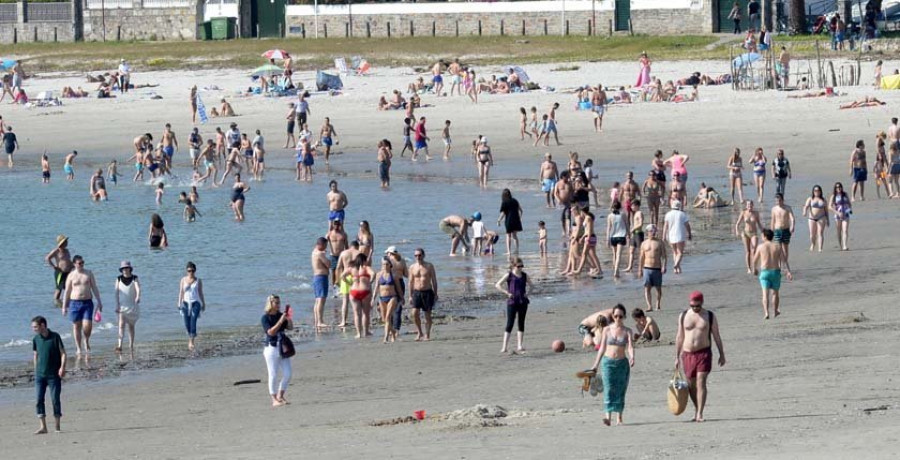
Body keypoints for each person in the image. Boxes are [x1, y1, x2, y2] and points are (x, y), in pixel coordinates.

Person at [674, 291, 725, 423]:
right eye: (692, 306)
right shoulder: (683, 315)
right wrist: (676, 356)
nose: (695, 308)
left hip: (704, 352)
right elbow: (680, 337)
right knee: (690, 384)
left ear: (702, 303)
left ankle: (700, 413)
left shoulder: (709, 316)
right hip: (687, 354)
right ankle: (697, 410)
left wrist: (722, 354)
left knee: (701, 381)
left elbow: (716, 336)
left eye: (697, 306)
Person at [588, 304, 635, 426]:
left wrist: (632, 356)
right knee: (608, 389)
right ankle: (607, 417)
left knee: (620, 390)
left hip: (622, 364)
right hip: (608, 362)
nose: (618, 319)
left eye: (620, 316)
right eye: (615, 316)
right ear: (613, 316)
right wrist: (595, 364)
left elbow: (630, 346)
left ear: (624, 316)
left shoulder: (627, 331)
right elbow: (602, 348)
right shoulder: (606, 330)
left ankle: (619, 418)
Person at [31, 315, 66, 434]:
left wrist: (62, 367)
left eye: (35, 327)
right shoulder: (36, 339)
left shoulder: (55, 337)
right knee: (38, 399)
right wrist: (36, 370)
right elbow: (35, 355)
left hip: (54, 375)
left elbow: (63, 353)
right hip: (40, 375)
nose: (34, 329)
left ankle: (57, 427)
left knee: (55, 399)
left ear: (43, 325)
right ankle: (43, 427)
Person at [62, 255, 103, 356]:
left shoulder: (88, 273)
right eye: (79, 263)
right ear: (74, 264)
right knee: (76, 326)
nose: (81, 264)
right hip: (74, 303)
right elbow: (67, 291)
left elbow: (94, 287)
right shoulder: (71, 275)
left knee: (87, 326)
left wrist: (99, 301)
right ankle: (79, 348)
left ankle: (86, 340)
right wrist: (64, 306)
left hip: (87, 302)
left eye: (82, 262)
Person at [495, 257, 534, 354]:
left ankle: (519, 345)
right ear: (513, 266)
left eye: (522, 266)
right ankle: (504, 347)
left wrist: (527, 294)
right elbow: (497, 285)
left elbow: (532, 286)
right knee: (510, 323)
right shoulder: (509, 275)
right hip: (512, 302)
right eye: (519, 266)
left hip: (523, 302)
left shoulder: (524, 275)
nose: (521, 268)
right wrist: (506, 293)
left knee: (521, 323)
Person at [753, 229, 793, 319]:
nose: (761, 237)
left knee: (765, 294)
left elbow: (754, 260)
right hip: (775, 272)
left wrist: (754, 269)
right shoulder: (778, 246)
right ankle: (775, 311)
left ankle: (766, 313)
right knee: (775, 293)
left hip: (764, 272)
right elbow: (784, 260)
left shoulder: (760, 247)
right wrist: (788, 271)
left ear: (765, 236)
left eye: (762, 235)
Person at [261, 295, 293, 407]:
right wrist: (280, 320)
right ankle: (274, 399)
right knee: (273, 374)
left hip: (282, 347)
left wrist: (288, 318)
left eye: (279, 303)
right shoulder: (265, 318)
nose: (278, 305)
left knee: (288, 373)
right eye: (276, 303)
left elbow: (290, 328)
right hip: (271, 347)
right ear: (271, 303)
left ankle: (280, 395)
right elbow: (270, 332)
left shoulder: (281, 315)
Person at [408, 248, 438, 341]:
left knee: (427, 315)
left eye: (420, 255)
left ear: (423, 255)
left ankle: (427, 334)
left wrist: (436, 293)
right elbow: (410, 282)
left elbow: (434, 280)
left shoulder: (429, 266)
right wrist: (410, 295)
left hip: (427, 292)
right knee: (414, 313)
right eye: (416, 255)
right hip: (416, 292)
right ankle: (419, 332)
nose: (418, 257)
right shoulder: (412, 267)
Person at [342, 254, 374, 339]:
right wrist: (370, 282)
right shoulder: (366, 268)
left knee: (356, 313)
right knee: (365, 313)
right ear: (363, 260)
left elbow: (342, 276)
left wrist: (349, 283)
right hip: (365, 291)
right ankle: (366, 332)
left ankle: (359, 333)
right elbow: (373, 274)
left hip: (354, 291)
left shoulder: (351, 269)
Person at [177, 262, 205, 351]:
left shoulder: (198, 280)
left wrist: (203, 303)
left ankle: (191, 341)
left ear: (195, 271)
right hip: (185, 303)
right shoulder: (183, 280)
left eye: (192, 271)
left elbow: (200, 293)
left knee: (193, 322)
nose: (191, 272)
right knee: (186, 323)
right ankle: (190, 336)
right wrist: (179, 303)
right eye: (189, 271)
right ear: (186, 271)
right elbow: (181, 292)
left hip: (195, 304)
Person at [114, 261, 141, 354]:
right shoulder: (118, 279)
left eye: (127, 268)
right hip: (122, 306)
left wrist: (138, 296)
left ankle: (131, 345)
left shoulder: (135, 278)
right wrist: (117, 305)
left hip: (132, 306)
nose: (125, 270)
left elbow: (138, 288)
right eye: (123, 268)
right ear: (121, 270)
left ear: (130, 268)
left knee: (131, 326)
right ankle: (119, 345)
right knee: (121, 325)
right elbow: (116, 293)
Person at [638, 224, 667, 311]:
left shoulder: (660, 242)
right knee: (647, 287)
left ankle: (658, 304)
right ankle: (649, 306)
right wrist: (640, 269)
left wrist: (664, 266)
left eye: (654, 231)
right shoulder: (643, 243)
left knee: (658, 288)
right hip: (647, 268)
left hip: (657, 268)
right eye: (651, 231)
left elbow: (664, 256)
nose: (653, 232)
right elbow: (641, 257)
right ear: (647, 232)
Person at [375, 257, 403, 343]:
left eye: (387, 264)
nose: (385, 266)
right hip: (382, 298)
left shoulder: (394, 275)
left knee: (387, 317)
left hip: (392, 297)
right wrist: (372, 299)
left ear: (390, 265)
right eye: (383, 264)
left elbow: (398, 288)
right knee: (384, 319)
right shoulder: (379, 275)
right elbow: (376, 287)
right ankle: (393, 332)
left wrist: (402, 298)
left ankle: (385, 338)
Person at [662, 201, 691, 274]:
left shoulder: (668, 214)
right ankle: (676, 264)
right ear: (679, 206)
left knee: (674, 252)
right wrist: (689, 233)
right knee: (680, 252)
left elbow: (665, 226)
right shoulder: (682, 214)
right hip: (680, 234)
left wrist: (664, 236)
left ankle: (676, 269)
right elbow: (687, 225)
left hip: (671, 235)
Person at [734, 200, 761, 273]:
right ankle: (749, 268)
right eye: (748, 205)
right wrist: (737, 231)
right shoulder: (743, 213)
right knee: (748, 252)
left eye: (751, 205)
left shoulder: (756, 213)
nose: (749, 206)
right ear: (746, 206)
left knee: (754, 250)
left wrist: (763, 231)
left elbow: (759, 224)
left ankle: (754, 267)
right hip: (745, 233)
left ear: (753, 205)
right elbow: (737, 224)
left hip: (754, 233)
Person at [46, 235, 73, 307]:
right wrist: (54, 266)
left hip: (68, 272)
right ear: (62, 243)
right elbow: (47, 258)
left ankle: (66, 302)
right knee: (59, 289)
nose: (67, 242)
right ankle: (56, 303)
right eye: (65, 241)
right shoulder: (56, 251)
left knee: (69, 287)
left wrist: (73, 267)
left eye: (66, 241)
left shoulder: (67, 251)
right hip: (60, 273)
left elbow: (68, 260)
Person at [311, 237, 331, 330]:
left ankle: (316, 321)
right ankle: (320, 321)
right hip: (321, 277)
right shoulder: (319, 254)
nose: (325, 248)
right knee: (321, 300)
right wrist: (327, 256)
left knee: (317, 300)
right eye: (325, 246)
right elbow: (328, 264)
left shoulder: (314, 251)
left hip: (316, 277)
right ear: (320, 245)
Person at [802, 185, 829, 252]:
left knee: (820, 233)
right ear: (813, 191)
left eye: (818, 190)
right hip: (811, 219)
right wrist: (804, 212)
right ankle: (813, 244)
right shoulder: (810, 198)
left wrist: (828, 220)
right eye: (815, 190)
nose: (816, 192)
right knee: (812, 235)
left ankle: (820, 248)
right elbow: (806, 206)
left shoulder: (823, 199)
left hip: (821, 217)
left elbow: (826, 210)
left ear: (820, 191)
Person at [770, 193, 795, 263]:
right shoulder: (773, 209)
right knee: (778, 249)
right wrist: (771, 232)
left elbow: (792, 218)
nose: (778, 202)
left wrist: (792, 226)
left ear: (783, 200)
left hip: (786, 230)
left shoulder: (788, 208)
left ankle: (785, 264)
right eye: (776, 201)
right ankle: (779, 266)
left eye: (779, 201)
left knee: (785, 249)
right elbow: (772, 220)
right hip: (777, 230)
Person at [606, 201, 628, 278]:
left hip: (613, 237)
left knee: (614, 254)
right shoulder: (623, 214)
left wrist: (607, 239)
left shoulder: (609, 216)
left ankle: (615, 269)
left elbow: (608, 228)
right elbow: (627, 225)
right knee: (618, 254)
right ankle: (616, 270)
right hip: (621, 236)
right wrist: (628, 235)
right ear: (620, 207)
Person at [498, 188, 523, 255]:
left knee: (508, 236)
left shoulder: (504, 202)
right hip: (516, 220)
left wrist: (499, 220)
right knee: (514, 236)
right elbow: (521, 210)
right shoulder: (515, 201)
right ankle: (517, 250)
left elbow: (503, 213)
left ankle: (509, 251)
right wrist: (520, 218)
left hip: (509, 221)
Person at [829, 182, 852, 251]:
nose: (838, 188)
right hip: (837, 215)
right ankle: (840, 245)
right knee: (839, 230)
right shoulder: (833, 196)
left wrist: (848, 210)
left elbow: (849, 204)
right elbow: (829, 207)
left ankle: (845, 245)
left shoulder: (845, 194)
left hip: (846, 214)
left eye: (840, 187)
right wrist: (837, 213)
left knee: (845, 230)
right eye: (837, 187)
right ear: (835, 188)